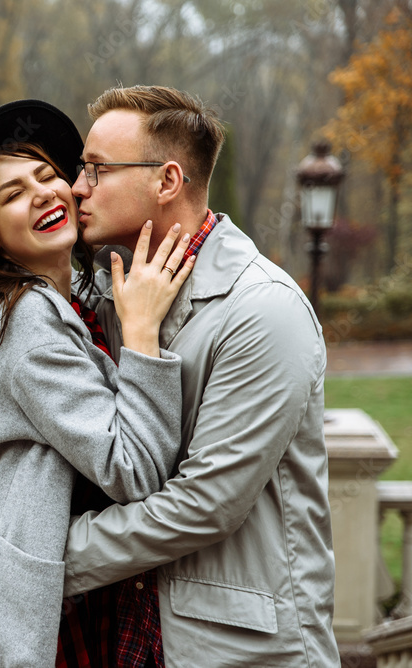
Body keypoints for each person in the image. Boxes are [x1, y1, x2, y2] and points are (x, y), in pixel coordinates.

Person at [62, 84, 340, 667]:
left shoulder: (264, 311)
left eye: (95, 170)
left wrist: (46, 556)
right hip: (131, 638)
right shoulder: (111, 298)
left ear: (166, 181)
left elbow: (206, 503)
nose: (76, 187)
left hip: (241, 651)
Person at [0, 99, 194, 666]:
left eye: (48, 175)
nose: (45, 193)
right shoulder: (24, 319)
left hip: (81, 588)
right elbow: (135, 470)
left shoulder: (75, 297)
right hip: (44, 617)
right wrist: (143, 333)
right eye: (13, 194)